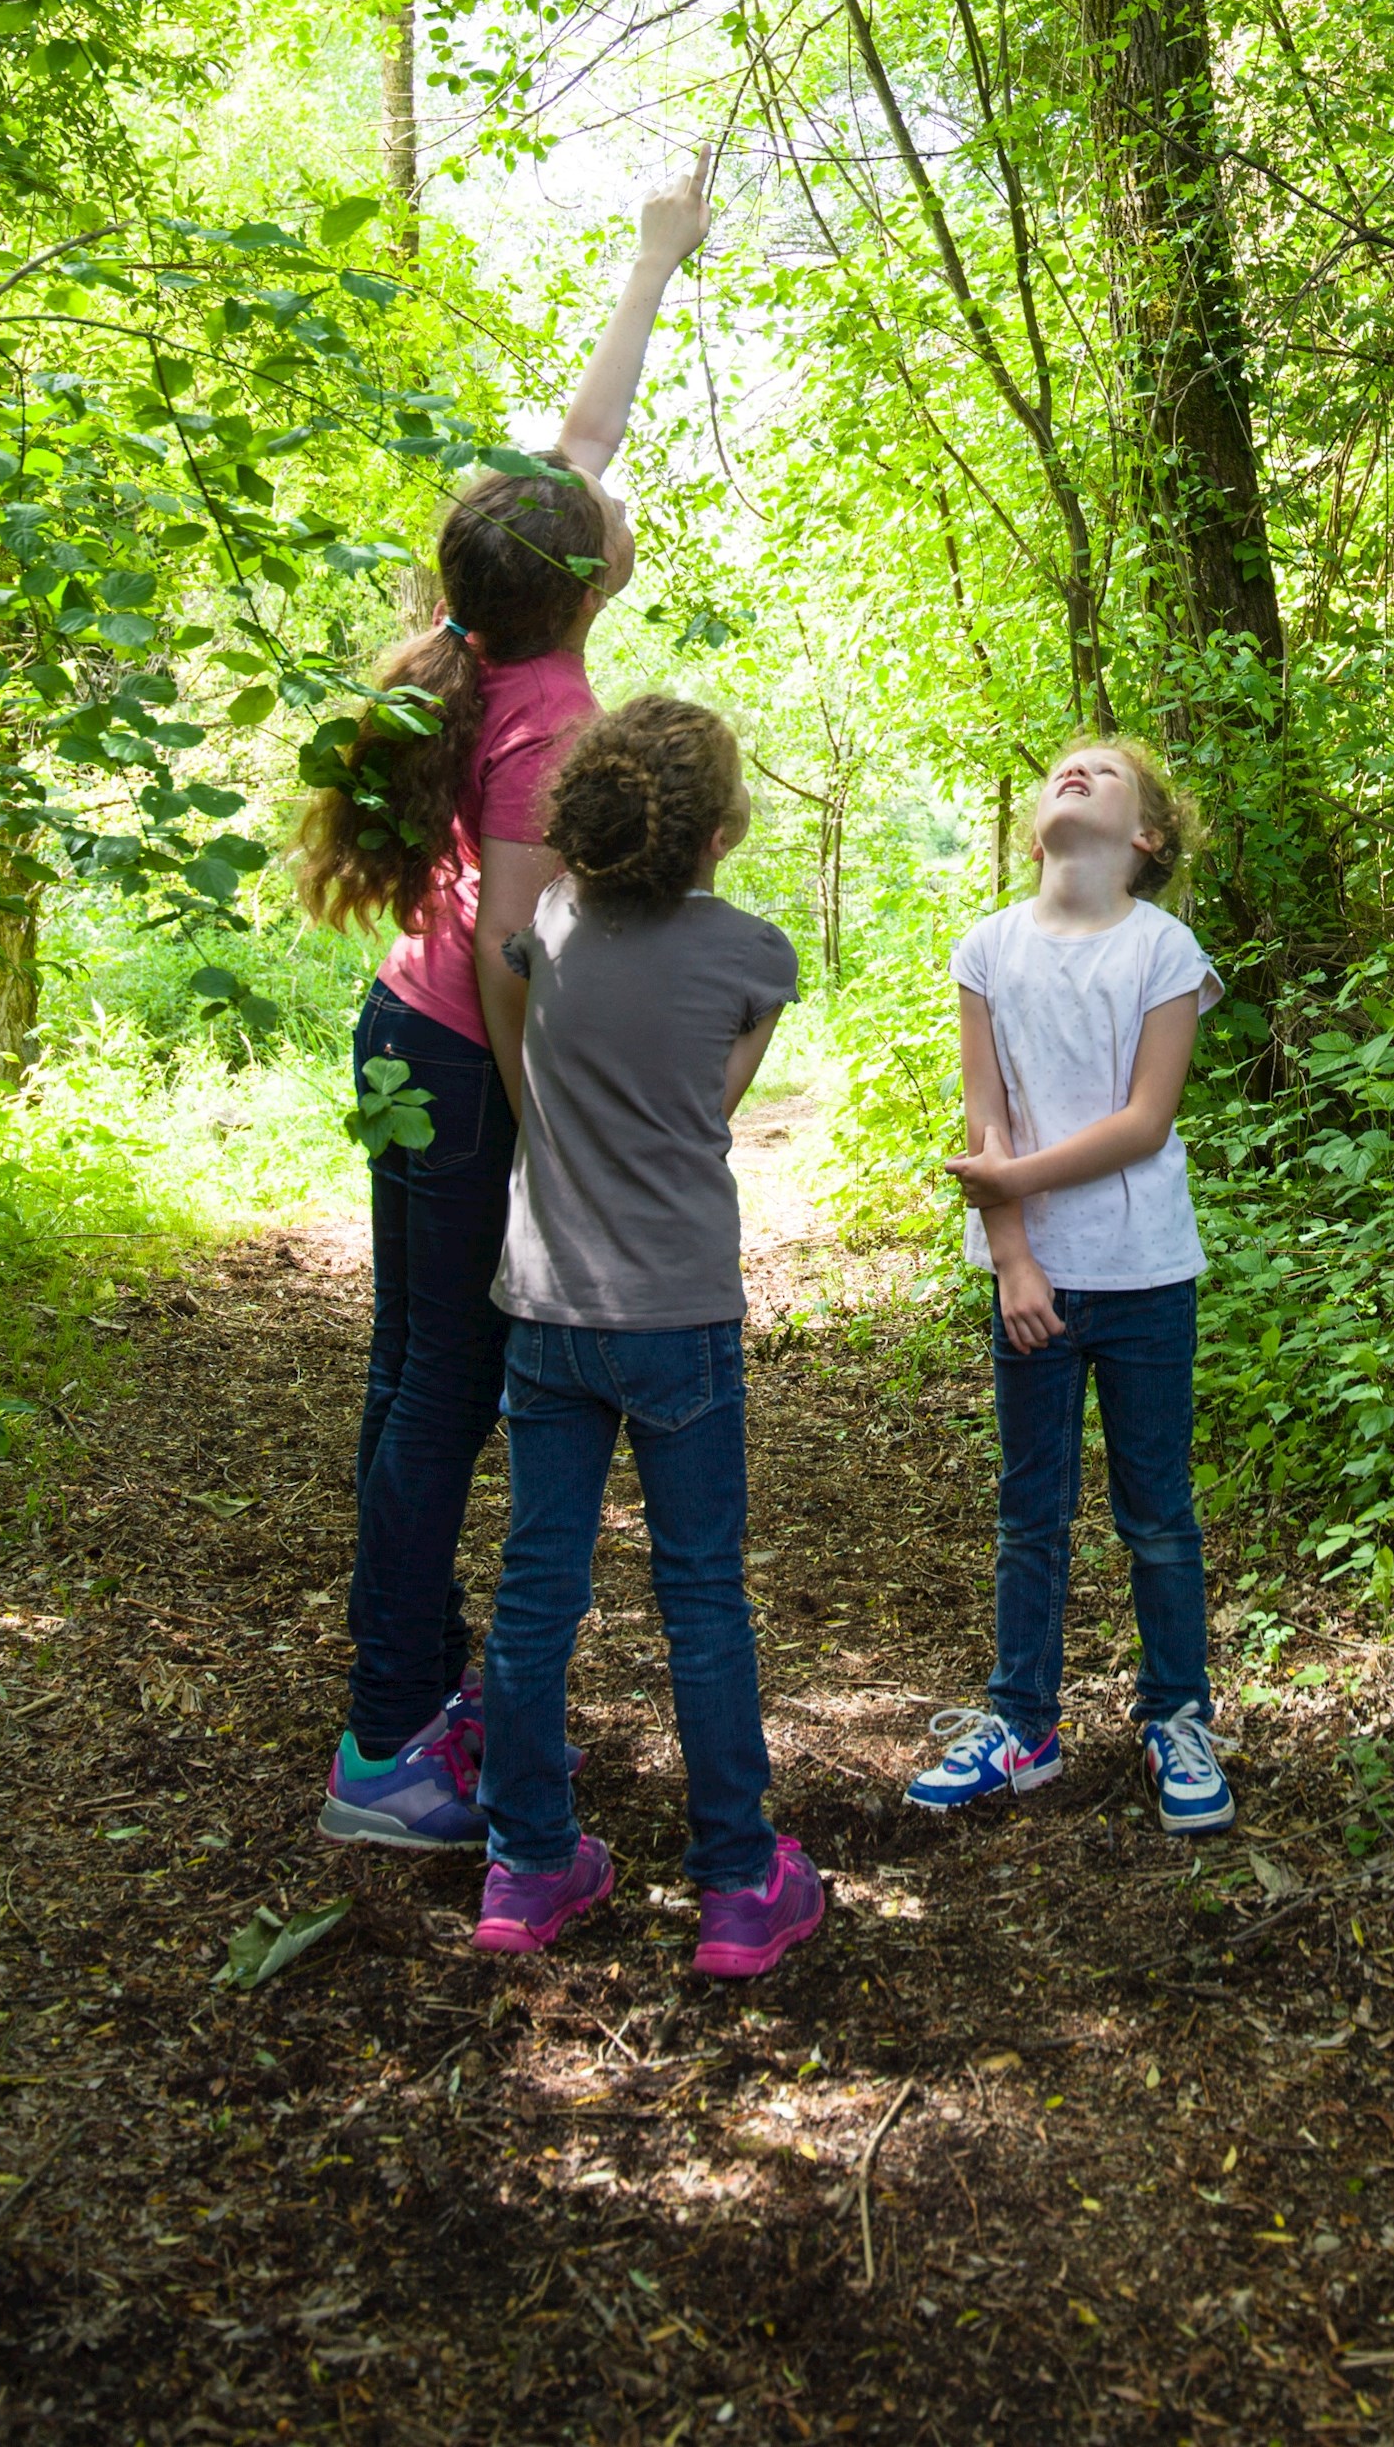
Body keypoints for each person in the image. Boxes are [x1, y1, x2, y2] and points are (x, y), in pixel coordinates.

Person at [294, 156, 717, 1848]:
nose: (607, 495)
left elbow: (583, 440)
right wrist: (558, 1152)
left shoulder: (486, 620)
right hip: (468, 1060)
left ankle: (401, 1687)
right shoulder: (551, 716)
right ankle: (388, 1740)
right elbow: (512, 955)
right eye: (599, 518)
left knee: (412, 1382)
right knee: (443, 1396)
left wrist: (654, 258)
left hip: (409, 1036)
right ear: (589, 584)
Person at [469, 695, 820, 1979]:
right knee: (703, 1596)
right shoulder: (757, 954)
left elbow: (522, 948)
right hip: (677, 1316)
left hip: (548, 1313)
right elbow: (708, 1109)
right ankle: (736, 1883)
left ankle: (529, 1861)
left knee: (536, 1591)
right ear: (720, 831)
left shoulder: (549, 927)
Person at [905, 735, 1235, 1838]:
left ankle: (1176, 1716)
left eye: (1106, 770)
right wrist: (1010, 1251)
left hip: (1144, 1274)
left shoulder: (1165, 948)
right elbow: (982, 1119)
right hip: (1031, 1283)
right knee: (1029, 1510)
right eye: (1063, 766)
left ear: (1143, 837)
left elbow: (1145, 1122)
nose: (1075, 770)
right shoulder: (987, 948)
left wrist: (1009, 1182)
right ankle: (1022, 1727)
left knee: (1157, 1514)